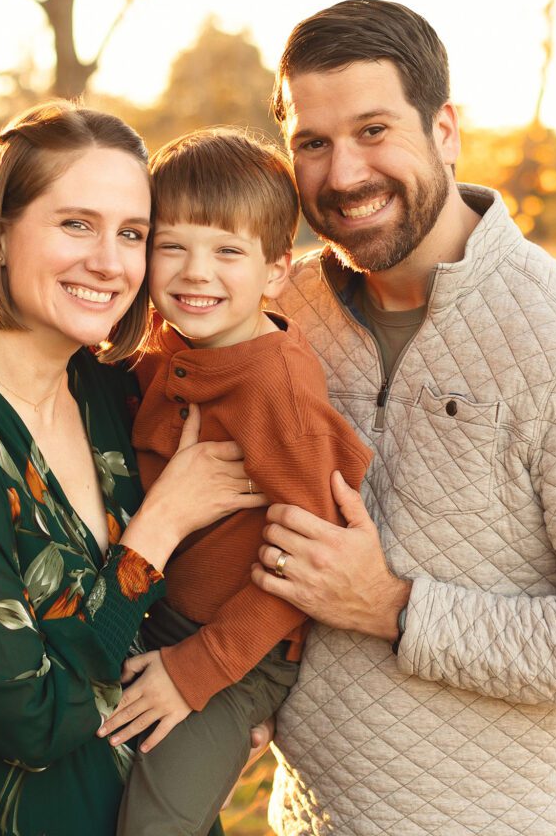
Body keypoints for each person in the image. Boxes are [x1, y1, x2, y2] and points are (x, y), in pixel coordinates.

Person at [249, 0, 556, 835]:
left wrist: (391, 605)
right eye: (313, 142)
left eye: (374, 130)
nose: (344, 175)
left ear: (445, 130)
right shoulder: (283, 306)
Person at [0, 103, 266, 836]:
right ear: (0, 231)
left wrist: (221, 705)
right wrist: (163, 523)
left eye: (133, 234)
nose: (111, 263)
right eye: (75, 224)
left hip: (156, 804)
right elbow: (33, 724)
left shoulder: (108, 387)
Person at [97, 128, 372, 836]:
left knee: (154, 826)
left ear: (276, 271)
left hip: (237, 653)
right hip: (156, 614)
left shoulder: (275, 387)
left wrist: (197, 670)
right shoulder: (167, 346)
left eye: (227, 251)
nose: (196, 273)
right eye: (173, 247)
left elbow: (302, 576)